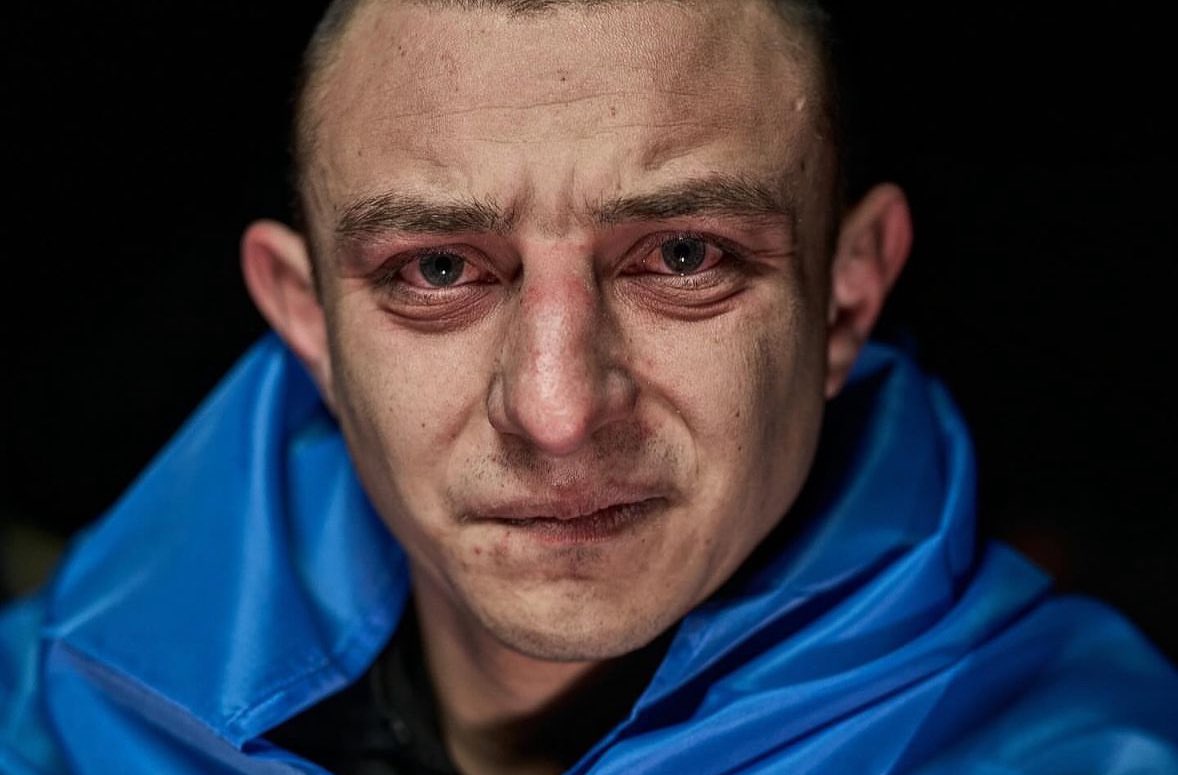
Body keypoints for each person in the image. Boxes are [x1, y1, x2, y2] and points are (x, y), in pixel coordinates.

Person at [2, 1, 1176, 773]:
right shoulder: (40, 713)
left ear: (845, 295)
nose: (558, 412)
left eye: (682, 255)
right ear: (303, 313)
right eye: (438, 269)